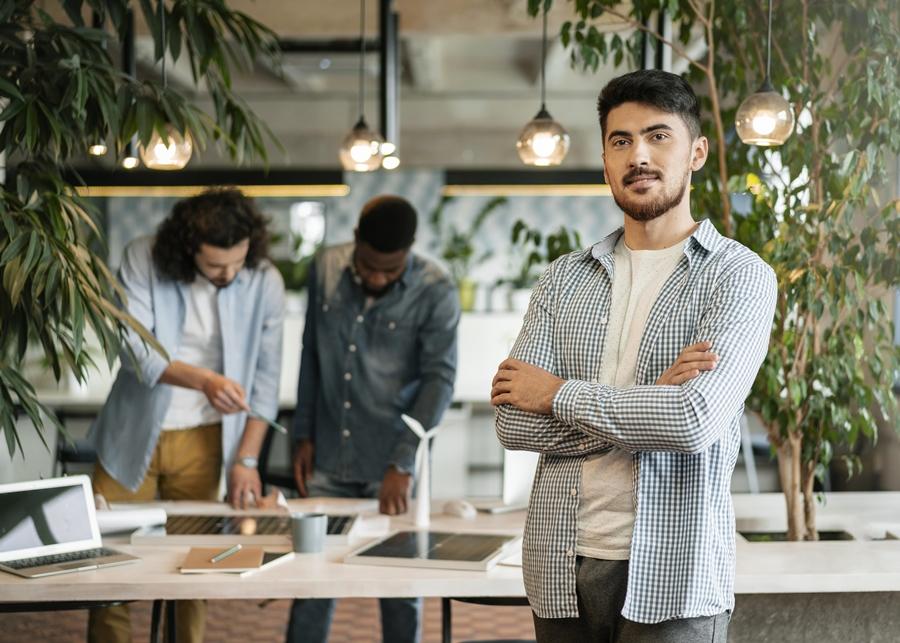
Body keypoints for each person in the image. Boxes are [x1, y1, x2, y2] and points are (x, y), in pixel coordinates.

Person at [491, 70, 777, 643]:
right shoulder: (563, 279)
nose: (637, 155)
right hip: (560, 565)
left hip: (678, 572)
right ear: (604, 159)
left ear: (696, 153)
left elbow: (693, 420)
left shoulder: (739, 276)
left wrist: (556, 395)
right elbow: (511, 421)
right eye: (620, 141)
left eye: (657, 136)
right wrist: (647, 406)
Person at [87, 188, 285, 643]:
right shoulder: (144, 257)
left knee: (197, 564)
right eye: (216, 266)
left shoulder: (263, 280)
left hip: (206, 438)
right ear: (188, 249)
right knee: (108, 561)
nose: (229, 274)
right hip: (132, 432)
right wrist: (206, 381)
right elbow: (133, 350)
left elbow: (266, 383)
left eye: (237, 262)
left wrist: (247, 459)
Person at [287, 195, 460, 643]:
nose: (378, 277)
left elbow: (439, 380)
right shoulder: (325, 269)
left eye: (391, 269)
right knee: (311, 579)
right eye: (369, 266)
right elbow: (311, 356)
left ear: (410, 251)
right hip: (328, 456)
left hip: (392, 463)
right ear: (355, 241)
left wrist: (402, 462)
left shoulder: (436, 288)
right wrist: (301, 434)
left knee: (399, 581)